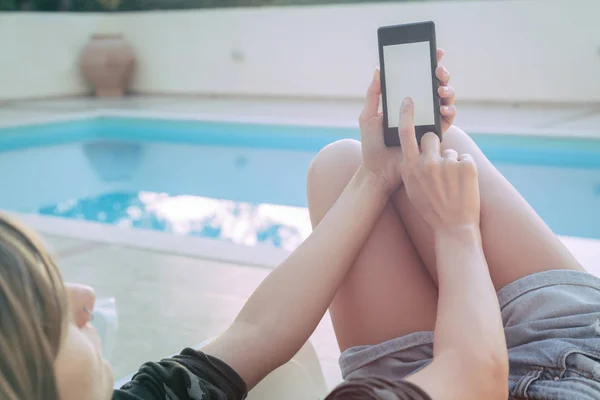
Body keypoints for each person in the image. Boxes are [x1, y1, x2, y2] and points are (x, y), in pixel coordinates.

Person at [1, 50, 599, 400]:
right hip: (539, 378)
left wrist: (375, 175)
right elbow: (479, 375)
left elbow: (257, 330)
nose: (83, 296)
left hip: (425, 379)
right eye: (53, 318)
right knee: (448, 156)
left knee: (344, 168)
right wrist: (457, 230)